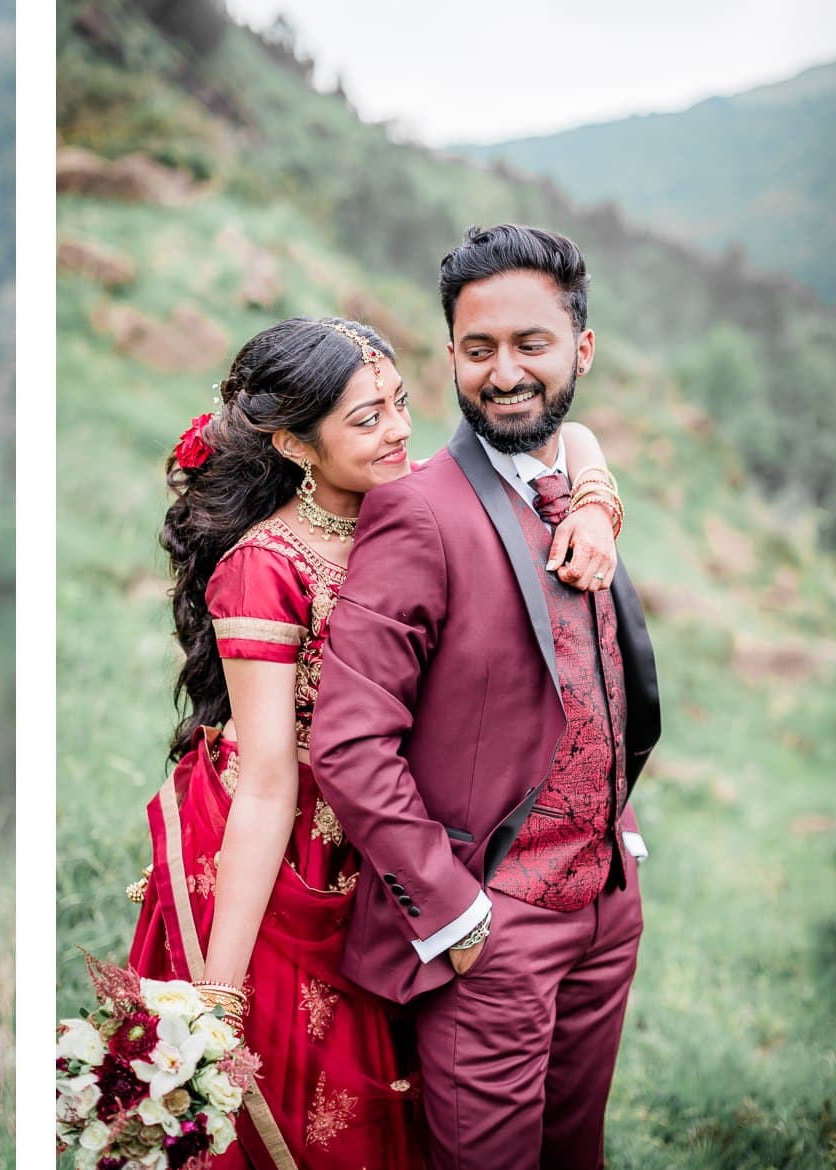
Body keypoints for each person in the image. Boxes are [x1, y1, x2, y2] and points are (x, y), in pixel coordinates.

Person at [128, 314, 624, 1169]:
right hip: (292, 858)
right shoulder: (266, 565)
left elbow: (570, 433)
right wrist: (216, 992)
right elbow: (268, 778)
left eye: (399, 404)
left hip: (406, 834)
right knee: (302, 1101)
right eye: (366, 420)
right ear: (293, 442)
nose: (399, 431)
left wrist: (596, 500)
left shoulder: (423, 499)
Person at [310, 226, 661, 1170]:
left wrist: (615, 829)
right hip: (489, 928)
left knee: (574, 1154)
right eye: (478, 349)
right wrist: (458, 914)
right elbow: (348, 743)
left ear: (580, 350)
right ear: (452, 357)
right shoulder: (417, 511)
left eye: (531, 345)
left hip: (606, 905)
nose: (504, 373)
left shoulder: (575, 486)